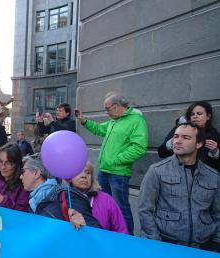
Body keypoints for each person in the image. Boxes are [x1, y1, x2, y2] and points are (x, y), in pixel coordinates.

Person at [139, 122, 220, 252]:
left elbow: (217, 214)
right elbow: (144, 210)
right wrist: (155, 241)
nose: (177, 141)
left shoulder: (213, 176)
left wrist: (217, 244)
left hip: (203, 246)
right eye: (176, 136)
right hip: (167, 243)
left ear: (199, 144)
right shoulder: (156, 170)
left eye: (186, 137)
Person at [76, 92, 148, 234]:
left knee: (121, 208)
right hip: (105, 171)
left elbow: (139, 147)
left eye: (107, 108)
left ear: (116, 106)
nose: (106, 112)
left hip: (119, 174)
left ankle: (127, 238)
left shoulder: (136, 120)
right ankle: (109, 233)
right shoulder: (114, 121)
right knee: (104, 205)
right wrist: (83, 120)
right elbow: (98, 129)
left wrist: (116, 160)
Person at [20, 155, 102, 228]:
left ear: (37, 173)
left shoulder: (65, 195)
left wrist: (85, 225)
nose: (20, 177)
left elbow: (97, 231)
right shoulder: (33, 201)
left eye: (23, 171)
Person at [158, 101, 219, 172]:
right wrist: (174, 141)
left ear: (208, 116)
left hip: (201, 178)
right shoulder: (179, 130)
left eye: (199, 114)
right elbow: (161, 153)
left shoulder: (214, 136)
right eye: (192, 114)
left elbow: (215, 167)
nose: (195, 116)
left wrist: (215, 152)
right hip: (176, 174)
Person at [70, 161, 128, 233]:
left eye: (88, 173)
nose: (84, 176)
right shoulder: (63, 199)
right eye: (78, 172)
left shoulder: (106, 200)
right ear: (70, 178)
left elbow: (121, 230)